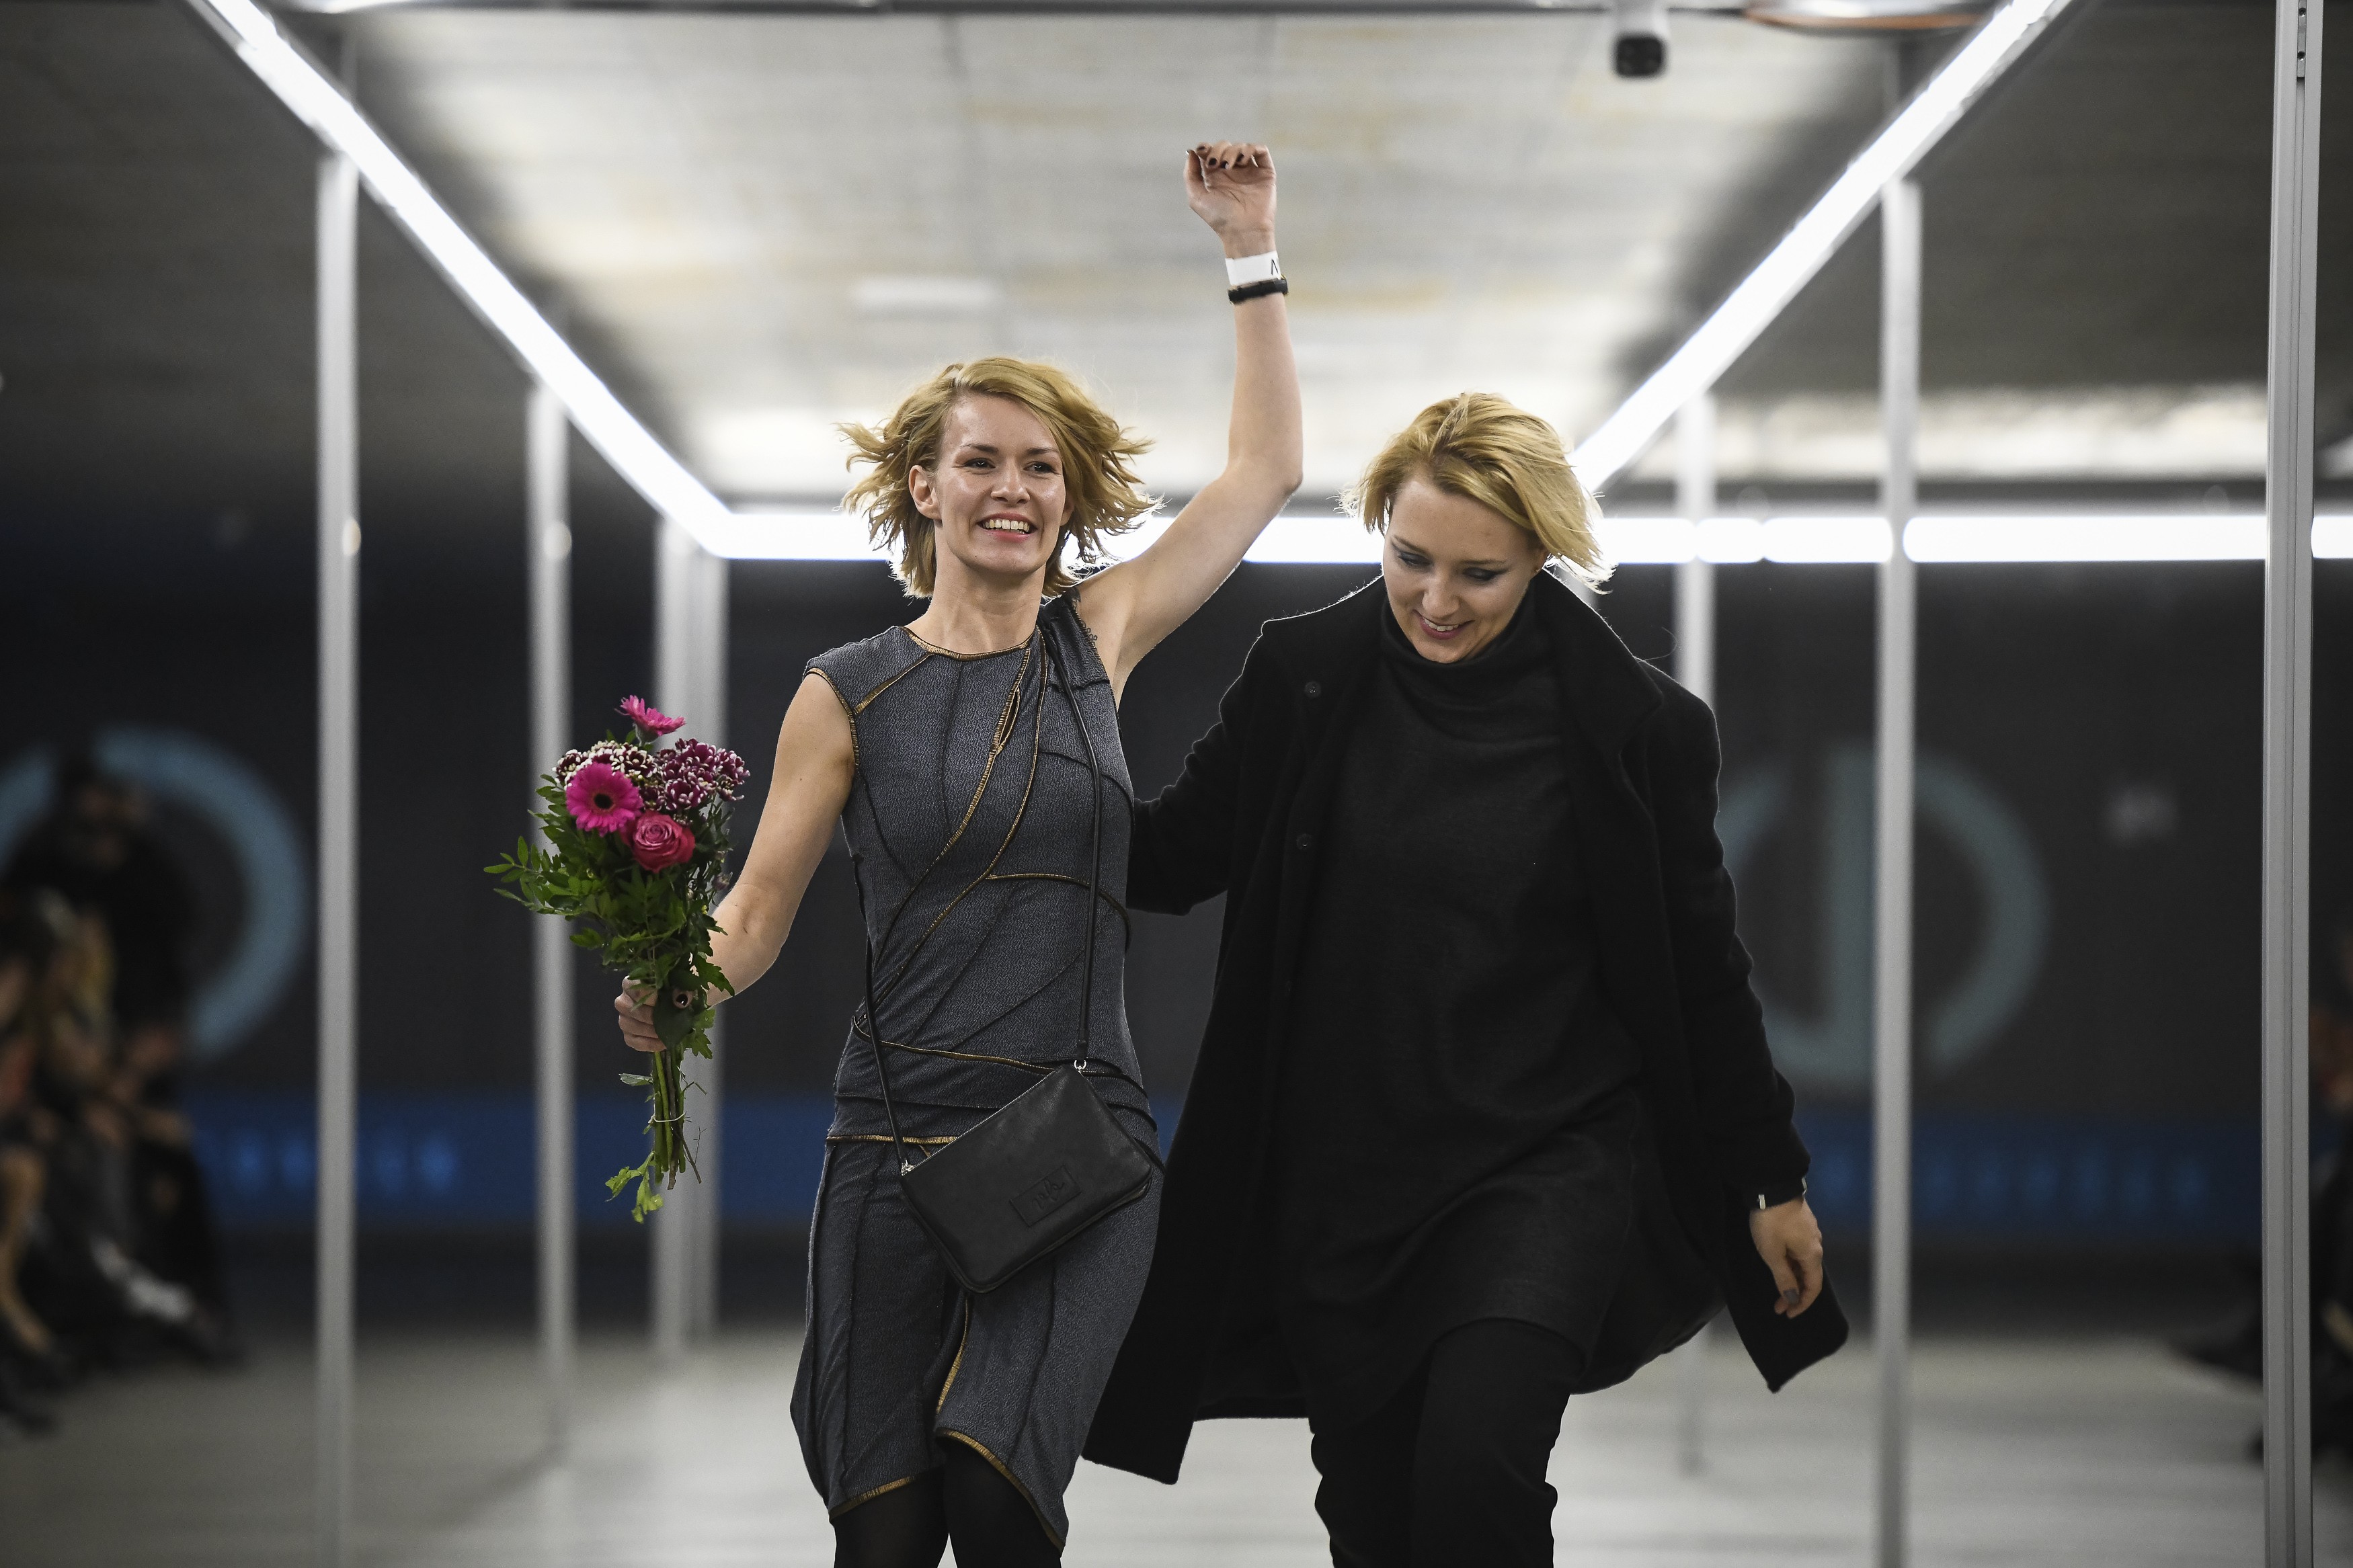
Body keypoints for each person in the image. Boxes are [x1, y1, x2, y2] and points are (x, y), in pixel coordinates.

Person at [615, 142, 1299, 1567]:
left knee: (994, 1492)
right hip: (889, 1147)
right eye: (980, 461)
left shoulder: (1095, 642)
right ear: (922, 488)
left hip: (1075, 1144)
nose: (1013, 488)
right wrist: (684, 983)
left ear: (1068, 497)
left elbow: (1264, 472)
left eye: (1041, 468)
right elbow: (757, 907)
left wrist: (1251, 248)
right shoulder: (846, 692)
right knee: (884, 1532)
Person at [1083, 393, 1847, 1567]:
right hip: (1344, 1183)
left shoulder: (1639, 728)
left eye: (1479, 574)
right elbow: (1176, 855)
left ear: (1542, 554)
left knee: (1476, 1472)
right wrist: (1014, 781)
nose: (1436, 599)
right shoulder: (1305, 679)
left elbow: (1703, 971)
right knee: (1377, 1519)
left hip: (1544, 1168)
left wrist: (1771, 1177)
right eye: (1411, 558)